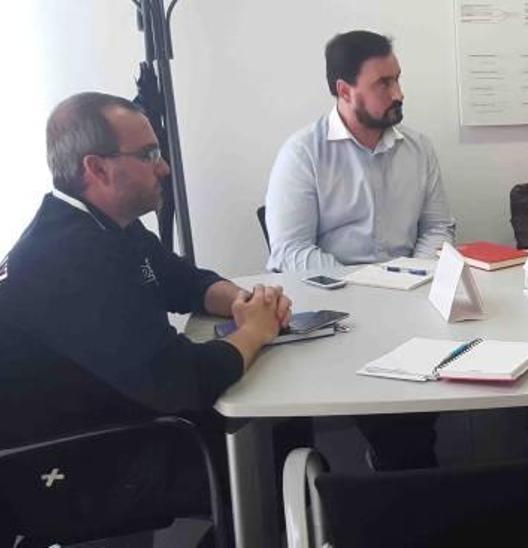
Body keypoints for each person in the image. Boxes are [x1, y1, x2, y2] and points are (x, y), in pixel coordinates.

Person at [0, 92, 290, 540]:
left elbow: (183, 280)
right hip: (78, 457)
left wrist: (243, 302)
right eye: (148, 154)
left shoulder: (109, 225)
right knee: (264, 444)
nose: (164, 167)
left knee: (274, 428)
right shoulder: (67, 259)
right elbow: (180, 381)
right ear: (95, 168)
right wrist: (254, 333)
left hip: (115, 413)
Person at [264, 30, 456, 272]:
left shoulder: (419, 149)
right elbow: (290, 250)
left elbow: (437, 228)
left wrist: (414, 274)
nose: (399, 94)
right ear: (345, 91)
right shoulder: (303, 154)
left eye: (397, 79)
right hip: (330, 294)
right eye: (383, 84)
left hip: (410, 286)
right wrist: (363, 283)